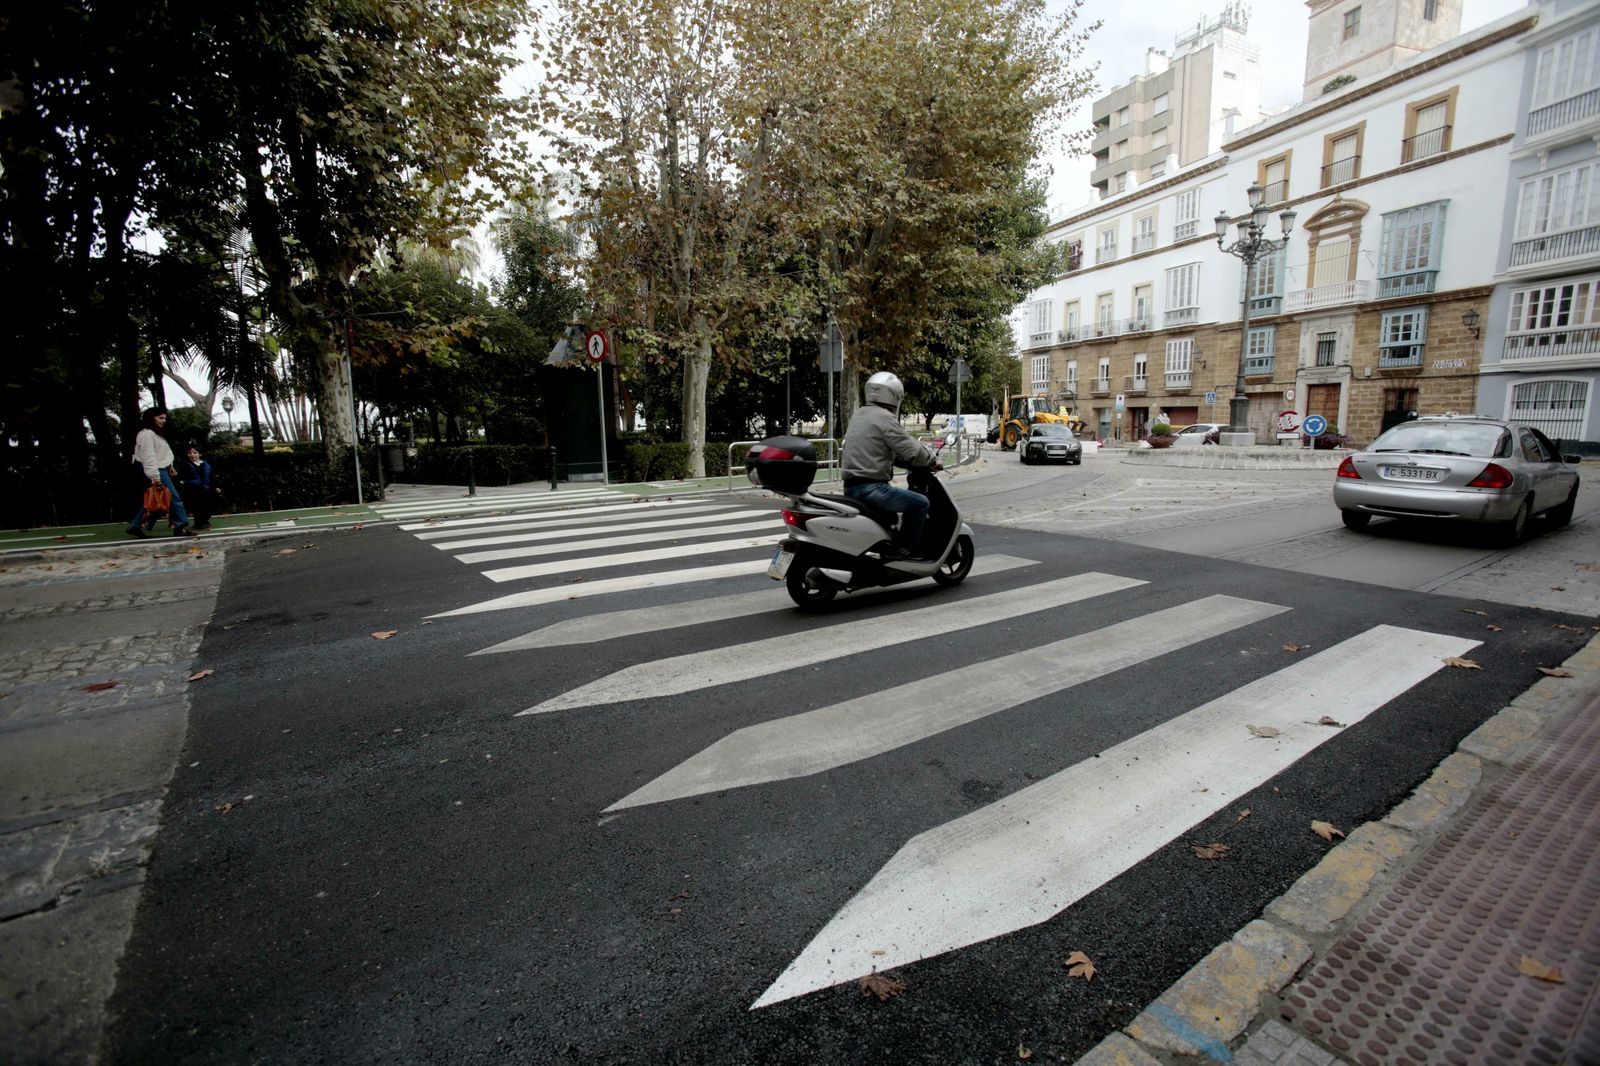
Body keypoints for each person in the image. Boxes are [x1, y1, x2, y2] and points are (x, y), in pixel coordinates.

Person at [841, 371, 941, 559]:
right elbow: (912, 450)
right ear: (894, 395)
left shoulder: (860, 415)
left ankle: (887, 544)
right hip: (872, 489)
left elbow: (880, 451)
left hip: (851, 489)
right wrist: (932, 460)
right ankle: (906, 548)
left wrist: (902, 461)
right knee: (921, 503)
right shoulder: (885, 418)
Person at [126, 408, 194, 538]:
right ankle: (181, 526)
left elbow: (161, 454)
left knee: (155, 499)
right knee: (173, 498)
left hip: (161, 469)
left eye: (165, 418)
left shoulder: (154, 433)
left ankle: (135, 525)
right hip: (156, 470)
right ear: (151, 418)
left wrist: (170, 466)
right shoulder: (147, 434)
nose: (164, 421)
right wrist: (155, 476)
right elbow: (149, 456)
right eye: (160, 418)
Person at [175, 443, 225, 530]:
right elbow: (181, 476)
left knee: (209, 506)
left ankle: (204, 520)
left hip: (207, 489)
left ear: (200, 454)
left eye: (195, 452)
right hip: (193, 490)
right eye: (189, 453)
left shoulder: (206, 464)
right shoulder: (185, 464)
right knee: (198, 507)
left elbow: (212, 477)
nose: (192, 455)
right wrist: (182, 483)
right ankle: (198, 523)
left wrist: (216, 487)